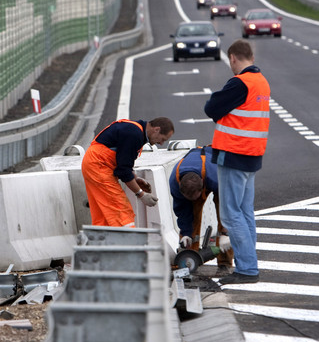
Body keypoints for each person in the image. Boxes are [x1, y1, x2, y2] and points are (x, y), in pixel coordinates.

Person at [204, 40, 270, 285]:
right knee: (245, 213)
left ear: (232, 58)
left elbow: (211, 107)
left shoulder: (239, 83)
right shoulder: (262, 82)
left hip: (233, 154)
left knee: (231, 215)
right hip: (252, 156)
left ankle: (247, 269)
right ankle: (249, 264)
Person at [81, 117, 175, 227]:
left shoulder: (135, 130)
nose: (161, 143)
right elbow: (123, 171)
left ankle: (103, 240)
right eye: (163, 139)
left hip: (94, 164)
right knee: (121, 210)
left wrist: (134, 178)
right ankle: (129, 240)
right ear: (156, 129)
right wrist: (141, 194)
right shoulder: (134, 135)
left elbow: (123, 162)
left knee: (103, 214)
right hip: (99, 166)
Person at [169, 145, 233, 275]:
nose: (193, 200)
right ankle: (189, 257)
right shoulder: (175, 183)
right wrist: (186, 233)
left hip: (216, 169)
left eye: (196, 197)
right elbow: (182, 211)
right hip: (196, 173)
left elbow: (228, 205)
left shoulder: (216, 178)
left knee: (224, 218)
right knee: (191, 217)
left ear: (202, 186)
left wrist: (226, 233)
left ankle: (224, 264)